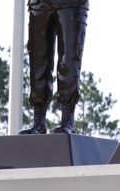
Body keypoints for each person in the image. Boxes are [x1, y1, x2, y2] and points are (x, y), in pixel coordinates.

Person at [19, 0, 89, 135]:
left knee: (69, 58)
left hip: (71, 4)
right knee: (37, 60)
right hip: (39, 4)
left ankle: (67, 118)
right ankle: (39, 121)